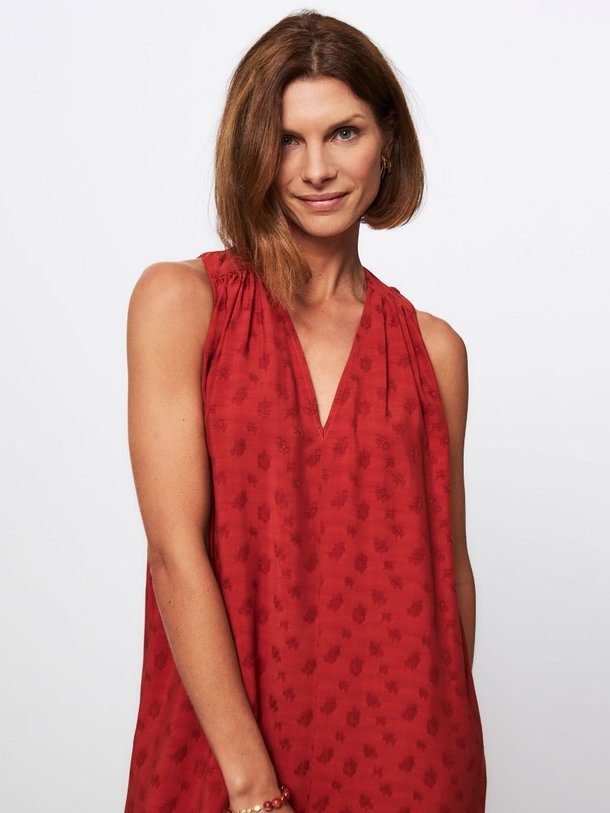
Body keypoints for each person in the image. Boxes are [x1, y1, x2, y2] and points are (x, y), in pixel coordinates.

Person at [124, 10, 487, 813]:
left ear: (387, 141)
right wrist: (252, 787)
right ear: (253, 149)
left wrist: (435, 743)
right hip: (223, 757)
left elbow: (449, 571)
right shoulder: (182, 303)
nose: (317, 168)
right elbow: (174, 553)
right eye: (288, 139)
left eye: (344, 132)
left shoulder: (434, 351)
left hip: (409, 757)